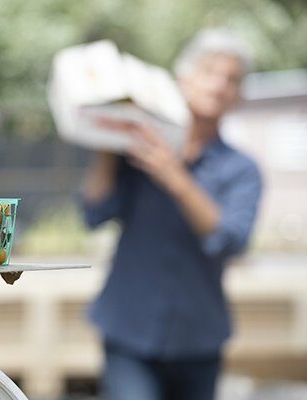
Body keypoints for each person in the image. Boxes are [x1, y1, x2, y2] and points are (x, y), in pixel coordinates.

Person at [81, 29, 262, 400]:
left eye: (232, 79)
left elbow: (229, 240)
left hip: (199, 338)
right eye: (209, 72)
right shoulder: (138, 150)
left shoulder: (242, 170)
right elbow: (94, 212)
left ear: (239, 95)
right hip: (127, 329)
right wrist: (108, 139)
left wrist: (175, 177)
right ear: (182, 79)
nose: (218, 85)